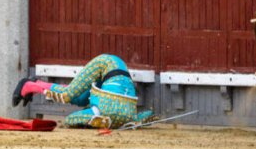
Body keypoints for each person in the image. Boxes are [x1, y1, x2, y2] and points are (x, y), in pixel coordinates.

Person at [12, 54, 156, 129]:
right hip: (104, 64)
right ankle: (30, 85)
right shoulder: (102, 112)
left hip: (118, 80)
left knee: (81, 99)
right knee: (67, 95)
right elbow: (70, 120)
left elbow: (146, 115)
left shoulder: (131, 118)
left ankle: (36, 84)